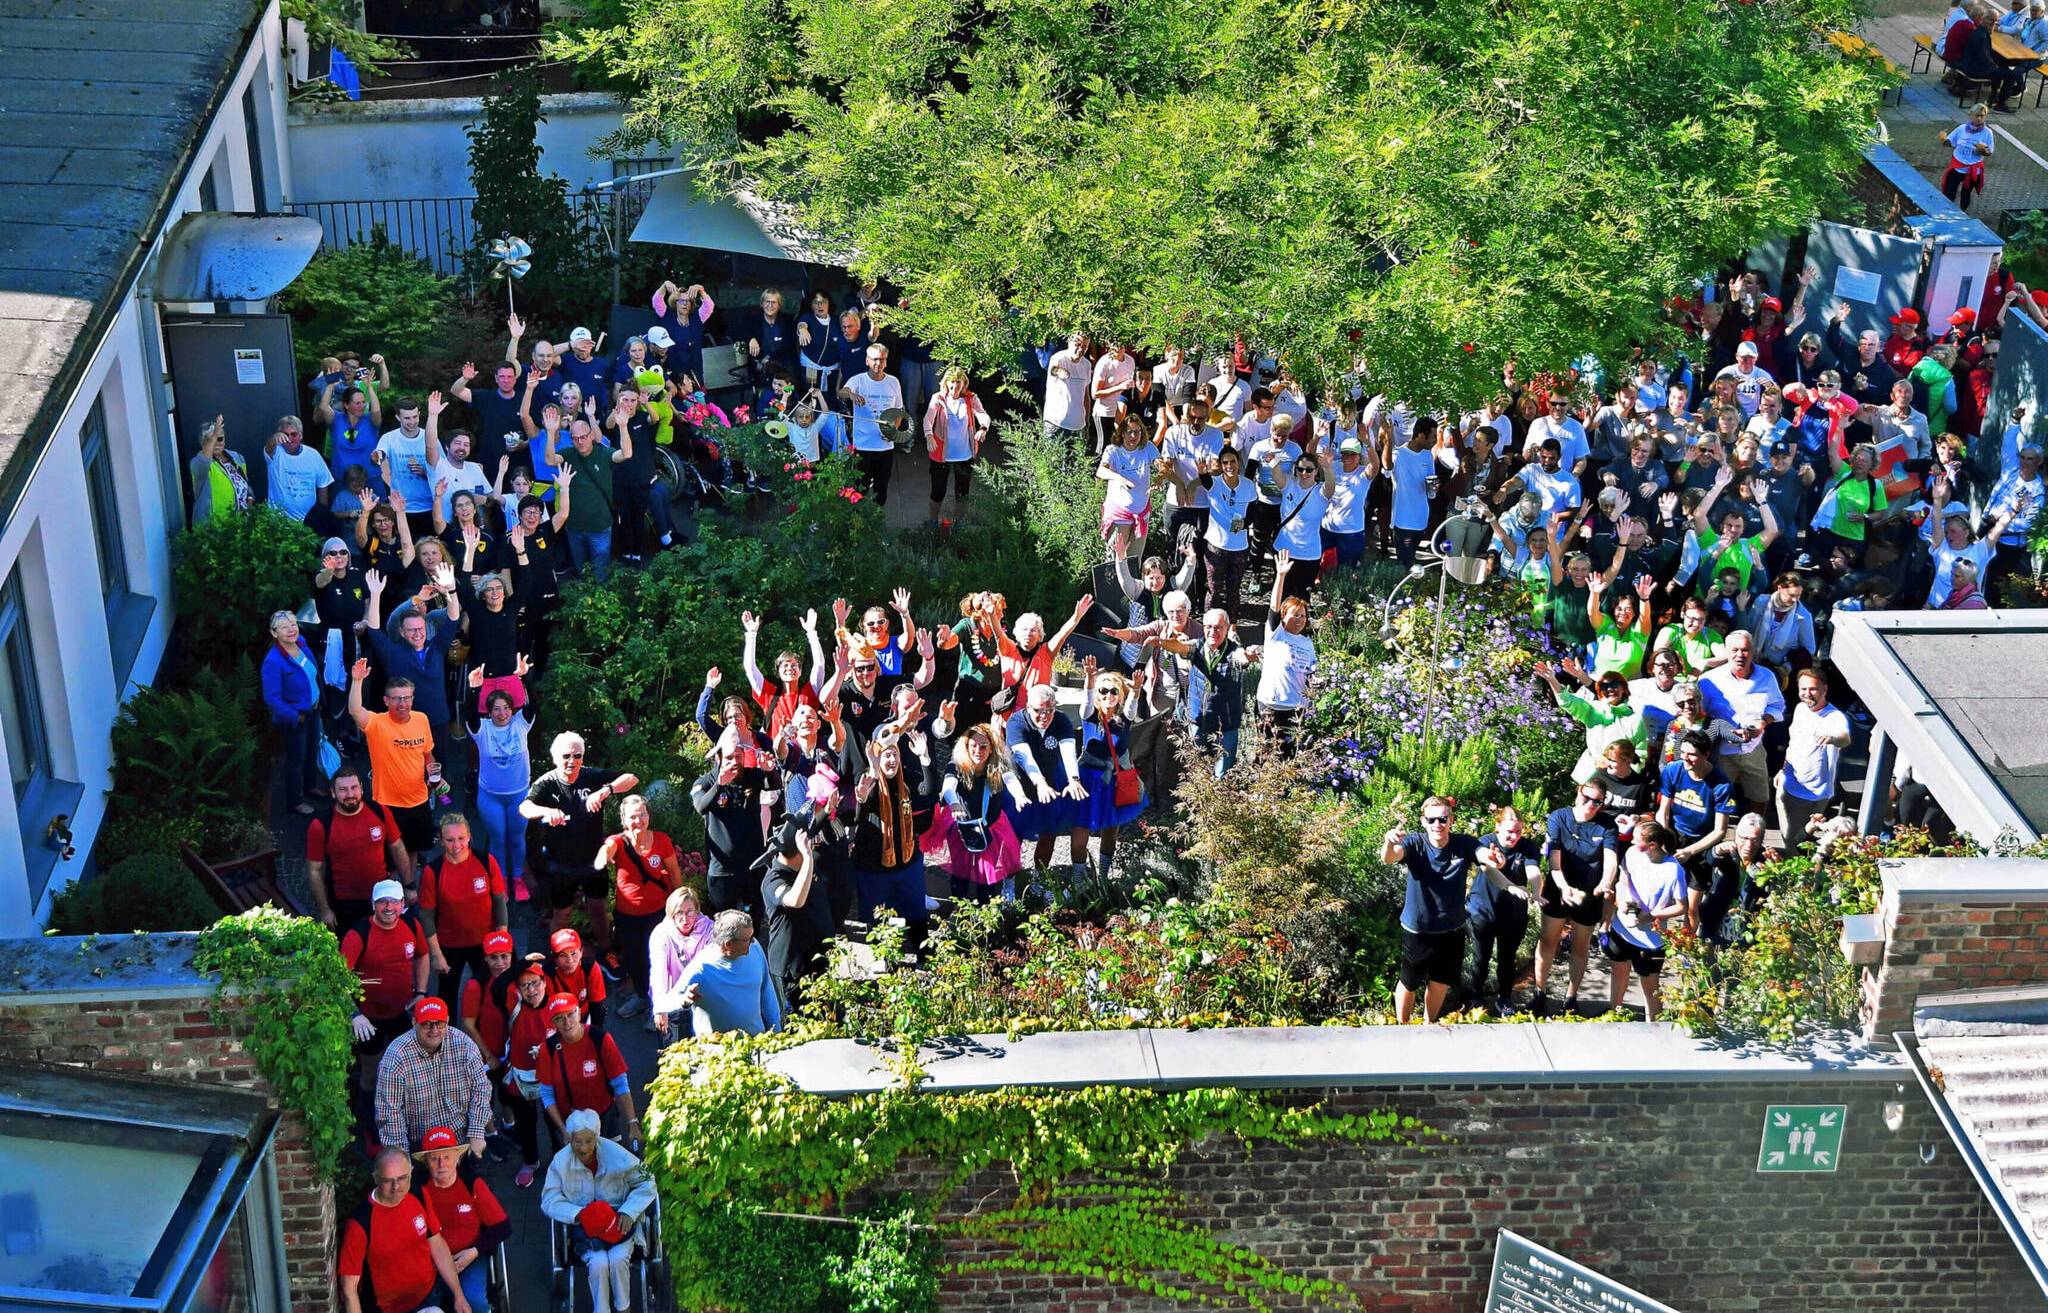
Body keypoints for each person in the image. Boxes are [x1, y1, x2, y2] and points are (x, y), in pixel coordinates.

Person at [523, 732, 640, 941]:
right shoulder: (547, 783)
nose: (571, 761)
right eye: (566, 756)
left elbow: (632, 778)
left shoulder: (592, 776)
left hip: (593, 860)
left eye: (577, 756)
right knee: (562, 913)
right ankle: (556, 956)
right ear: (556, 758)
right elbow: (524, 807)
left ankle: (605, 952)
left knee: (598, 908)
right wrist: (546, 812)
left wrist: (606, 791)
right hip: (561, 863)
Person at [540, 1109, 658, 1313]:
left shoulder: (617, 1154)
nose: (583, 1148)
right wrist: (577, 1214)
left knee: (619, 1258)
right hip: (585, 1229)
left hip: (619, 1222)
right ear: (570, 1139)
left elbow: (648, 1182)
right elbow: (549, 1199)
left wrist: (629, 1211)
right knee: (599, 1263)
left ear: (597, 1137)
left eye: (588, 1141)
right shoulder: (560, 1162)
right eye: (577, 1141)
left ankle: (623, 1308)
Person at [1381, 795, 1481, 1023]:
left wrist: (1494, 860)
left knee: (1440, 980)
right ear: (1423, 821)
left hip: (1452, 928)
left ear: (1451, 820)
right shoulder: (1415, 843)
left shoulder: (1463, 844)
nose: (1438, 824)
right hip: (1419, 929)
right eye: (1432, 819)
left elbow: (1481, 854)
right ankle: (1402, 1027)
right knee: (1409, 981)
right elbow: (1389, 858)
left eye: (1443, 819)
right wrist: (1388, 842)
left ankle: (1429, 1024)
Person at [338, 1146, 471, 1313]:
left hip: (428, 1298)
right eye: (388, 1180)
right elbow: (349, 1287)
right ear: (376, 1178)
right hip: (385, 1309)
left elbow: (436, 1243)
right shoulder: (360, 1222)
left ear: (411, 1172)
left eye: (402, 1178)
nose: (396, 1187)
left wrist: (459, 1296)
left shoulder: (418, 1194)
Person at [1536, 783, 1619, 1015]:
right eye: (1587, 798)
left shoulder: (1607, 825)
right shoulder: (1558, 817)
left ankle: (1571, 996)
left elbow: (1611, 860)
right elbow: (1554, 859)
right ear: (1578, 793)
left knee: (1580, 946)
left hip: (1589, 893)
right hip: (1559, 886)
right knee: (1547, 941)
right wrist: (1564, 888)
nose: (1590, 805)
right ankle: (1540, 992)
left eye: (1597, 802)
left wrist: (1605, 883)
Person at [374, 996, 493, 1156]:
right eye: (427, 1024)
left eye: (439, 1023)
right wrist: (402, 1158)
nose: (434, 1030)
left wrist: (476, 1132)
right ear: (414, 1022)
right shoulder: (396, 1057)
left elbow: (481, 1088)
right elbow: (389, 1112)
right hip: (419, 1146)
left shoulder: (464, 1045)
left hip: (461, 1140)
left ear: (448, 1020)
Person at [599, 795, 681, 1021]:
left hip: (657, 913)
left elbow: (673, 872)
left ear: (648, 815)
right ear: (624, 819)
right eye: (633, 816)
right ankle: (641, 996)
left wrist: (679, 904)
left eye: (642, 814)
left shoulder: (662, 840)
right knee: (634, 958)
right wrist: (600, 858)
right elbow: (607, 850)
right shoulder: (618, 842)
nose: (639, 820)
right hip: (628, 915)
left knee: (659, 958)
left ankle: (660, 1006)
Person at [927, 720, 1028, 904]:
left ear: (991, 748)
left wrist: (1019, 795)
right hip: (962, 826)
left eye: (983, 746)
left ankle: (986, 909)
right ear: (966, 746)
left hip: (991, 826)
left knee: (988, 872)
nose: (978, 751)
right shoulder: (956, 764)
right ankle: (960, 908)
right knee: (960, 872)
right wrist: (954, 802)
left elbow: (1010, 778)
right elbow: (949, 786)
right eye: (973, 745)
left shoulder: (998, 765)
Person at [348, 661, 438, 863]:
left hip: (419, 800)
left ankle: (409, 890)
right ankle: (390, 891)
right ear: (386, 701)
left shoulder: (421, 719)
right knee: (388, 855)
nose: (403, 704)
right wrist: (357, 681)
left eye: (407, 698)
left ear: (413, 699)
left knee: (414, 850)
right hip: (387, 803)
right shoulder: (376, 723)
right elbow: (355, 710)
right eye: (397, 699)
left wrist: (434, 777)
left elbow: (427, 754)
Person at [413, 1126, 509, 1313]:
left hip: (469, 1256)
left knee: (475, 1302)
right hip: (431, 1261)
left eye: (447, 1157)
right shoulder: (418, 1190)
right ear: (426, 1162)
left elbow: (503, 1227)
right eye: (434, 1158)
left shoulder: (471, 1183)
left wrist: (474, 1252)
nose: (442, 1164)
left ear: (457, 1158)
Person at [417, 813, 508, 1011]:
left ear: (469, 837)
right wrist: (436, 954)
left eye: (461, 838)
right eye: (449, 840)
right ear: (441, 841)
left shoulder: (486, 861)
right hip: (450, 945)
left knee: (491, 992)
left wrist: (502, 941)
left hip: (485, 943)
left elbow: (499, 901)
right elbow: (426, 915)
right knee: (447, 995)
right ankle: (447, 1038)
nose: (456, 845)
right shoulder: (433, 871)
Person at [847, 733, 938, 926]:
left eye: (895, 754)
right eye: (886, 755)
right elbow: (858, 818)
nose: (892, 760)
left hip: (906, 862)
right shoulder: (868, 780)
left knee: (917, 918)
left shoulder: (905, 777)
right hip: (873, 866)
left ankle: (922, 954)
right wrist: (861, 799)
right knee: (877, 922)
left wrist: (924, 758)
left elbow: (929, 795)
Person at [1602, 819, 1689, 1021]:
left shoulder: (1673, 870)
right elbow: (1624, 877)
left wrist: (1652, 915)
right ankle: (1613, 1016)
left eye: (1636, 840)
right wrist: (1623, 898)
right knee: (1618, 975)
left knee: (1650, 989)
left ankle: (1654, 1026)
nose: (1631, 843)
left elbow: (1681, 906)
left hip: (1650, 940)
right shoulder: (1633, 854)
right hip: (1622, 929)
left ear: (1653, 845)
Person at [309, 768, 414, 930]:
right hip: (343, 904)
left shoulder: (380, 811)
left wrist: (409, 886)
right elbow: (314, 870)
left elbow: (398, 848)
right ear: (333, 793)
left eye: (354, 787)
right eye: (343, 790)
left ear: (362, 789)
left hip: (381, 898)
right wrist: (325, 910)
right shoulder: (321, 825)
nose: (350, 794)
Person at [1003, 683, 1086, 881]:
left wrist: (1074, 779)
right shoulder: (1016, 723)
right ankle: (1009, 883)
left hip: (1050, 781)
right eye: (1039, 710)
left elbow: (1068, 750)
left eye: (1049, 710)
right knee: (1014, 837)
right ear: (1028, 707)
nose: (1044, 716)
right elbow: (1024, 757)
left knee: (1049, 833)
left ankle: (1039, 881)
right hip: (1020, 784)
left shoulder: (1062, 720)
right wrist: (1039, 783)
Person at [464, 676, 535, 904]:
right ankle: (500, 880)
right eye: (496, 709)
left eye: (506, 708)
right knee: (497, 839)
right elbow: (469, 715)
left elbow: (533, 704)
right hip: (491, 797)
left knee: (516, 838)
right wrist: (474, 690)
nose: (502, 713)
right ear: (489, 712)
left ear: (512, 710)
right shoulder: (481, 729)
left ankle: (517, 879)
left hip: (520, 795)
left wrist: (524, 679)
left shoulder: (520, 724)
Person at [1697, 629, 1785, 812]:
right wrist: (1722, 731)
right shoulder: (1708, 680)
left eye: (1744, 650)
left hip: (1754, 748)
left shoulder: (1766, 677)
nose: (1739, 655)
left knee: (1760, 797)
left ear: (1752, 652)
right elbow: (1698, 716)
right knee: (1717, 798)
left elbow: (1777, 705)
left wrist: (1764, 722)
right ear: (1726, 653)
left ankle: (1755, 834)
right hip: (1721, 752)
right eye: (1734, 650)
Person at [1468, 806, 1543, 1015]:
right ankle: (1475, 998)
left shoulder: (1527, 847)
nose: (1514, 836)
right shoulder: (1485, 843)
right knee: (1480, 958)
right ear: (1498, 827)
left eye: (1518, 831)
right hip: (1483, 908)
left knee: (1507, 958)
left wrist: (1536, 892)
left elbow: (1533, 871)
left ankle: (1505, 999)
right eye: (1510, 831)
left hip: (1513, 913)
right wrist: (1510, 885)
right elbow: (1488, 868)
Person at [691, 736, 775, 921]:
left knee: (753, 920)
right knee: (723, 924)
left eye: (739, 756)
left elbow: (775, 784)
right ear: (718, 758)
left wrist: (769, 770)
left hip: (752, 864)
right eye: (729, 757)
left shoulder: (751, 776)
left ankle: (752, 949)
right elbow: (701, 807)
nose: (735, 762)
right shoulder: (705, 782)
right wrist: (719, 785)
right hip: (722, 870)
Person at [538, 994, 639, 1146]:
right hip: (571, 1122)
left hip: (604, 1117)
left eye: (570, 1014)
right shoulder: (548, 1049)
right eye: (559, 1018)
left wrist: (632, 1122)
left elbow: (619, 1082)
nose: (567, 1023)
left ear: (579, 1013)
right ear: (553, 1023)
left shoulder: (600, 1039)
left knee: (610, 1163)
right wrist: (563, 1130)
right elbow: (547, 1094)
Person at [1074, 668, 1146, 879]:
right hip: (1087, 782)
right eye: (1103, 691)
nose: (1108, 696)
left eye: (1114, 691)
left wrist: (1136, 689)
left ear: (1120, 695)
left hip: (1113, 783)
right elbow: (1087, 699)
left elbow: (1132, 704)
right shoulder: (1088, 716)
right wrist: (1089, 678)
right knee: (1080, 836)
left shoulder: (1124, 719)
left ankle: (1103, 878)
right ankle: (1078, 880)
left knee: (1110, 832)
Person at [1659, 729, 1738, 907]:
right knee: (1665, 893)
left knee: (1692, 904)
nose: (1685, 758)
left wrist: (1690, 852)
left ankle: (1691, 933)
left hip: (1702, 842)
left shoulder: (1721, 784)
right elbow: (1663, 811)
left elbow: (1720, 831)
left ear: (1706, 755)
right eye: (1683, 752)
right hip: (1675, 833)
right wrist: (1664, 836)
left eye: (1692, 755)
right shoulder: (1673, 770)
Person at [674, 910, 783, 1035]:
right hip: (718, 1050)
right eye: (748, 939)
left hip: (757, 1044)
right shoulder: (701, 967)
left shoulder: (755, 948)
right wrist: (684, 1000)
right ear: (728, 944)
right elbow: (666, 1003)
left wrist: (776, 1030)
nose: (753, 941)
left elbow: (767, 991)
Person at [760, 822, 831, 1012]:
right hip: (792, 969)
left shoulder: (801, 869)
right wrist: (808, 859)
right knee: (799, 1024)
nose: (812, 852)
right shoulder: (773, 880)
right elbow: (795, 900)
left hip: (816, 958)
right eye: (807, 850)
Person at [261, 609, 326, 818]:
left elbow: (312, 676)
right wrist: (295, 716)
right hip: (296, 718)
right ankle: (295, 801)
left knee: (311, 751)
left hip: (313, 711)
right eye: (284, 627)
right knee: (295, 759)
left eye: (293, 624)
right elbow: (272, 698)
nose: (291, 629)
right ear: (274, 633)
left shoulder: (302, 643)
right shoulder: (273, 661)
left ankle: (310, 786)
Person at [1777, 668, 1852, 848]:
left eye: (1812, 689)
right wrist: (1782, 770)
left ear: (1824, 689)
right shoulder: (1800, 709)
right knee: (1790, 841)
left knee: (1797, 842)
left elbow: (1845, 738)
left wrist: (1833, 739)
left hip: (1815, 793)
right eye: (1803, 689)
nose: (1807, 694)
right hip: (1787, 785)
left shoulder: (1834, 717)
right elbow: (1793, 744)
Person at [1252, 555, 1316, 758]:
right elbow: (1273, 607)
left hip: (1296, 708)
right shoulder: (1275, 634)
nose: (1299, 620)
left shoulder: (1308, 643)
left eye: (1303, 616)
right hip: (1271, 704)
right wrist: (1280, 576)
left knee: (1289, 757)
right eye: (1294, 615)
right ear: (1284, 617)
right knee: (1267, 754)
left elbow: (1311, 673)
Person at [842, 342, 907, 504]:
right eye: (875, 359)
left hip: (885, 447)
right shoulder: (858, 380)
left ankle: (877, 520)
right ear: (867, 361)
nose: (879, 363)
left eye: (882, 359)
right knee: (859, 489)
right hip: (863, 445)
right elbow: (842, 392)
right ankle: (858, 523)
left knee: (881, 489)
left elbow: (899, 411)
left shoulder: (894, 382)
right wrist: (852, 395)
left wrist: (893, 431)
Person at [650, 886, 717, 1041]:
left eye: (689, 912)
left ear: (697, 911)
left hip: (704, 996)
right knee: (674, 1048)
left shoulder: (710, 930)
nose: (684, 919)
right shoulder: (661, 934)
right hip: (674, 996)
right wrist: (660, 1009)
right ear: (671, 913)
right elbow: (659, 973)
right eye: (679, 912)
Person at [924, 365, 990, 521]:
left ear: (964, 383)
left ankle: (959, 523)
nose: (955, 386)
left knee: (962, 493)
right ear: (946, 382)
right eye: (952, 382)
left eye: (959, 382)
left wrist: (983, 428)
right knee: (938, 492)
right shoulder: (938, 398)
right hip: (941, 454)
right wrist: (929, 436)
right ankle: (933, 521)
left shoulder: (970, 398)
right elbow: (928, 419)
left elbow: (983, 415)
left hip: (964, 454)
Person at [266, 414, 335, 527]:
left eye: (294, 434)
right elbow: (268, 447)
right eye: (285, 435)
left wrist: (321, 515)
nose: (290, 438)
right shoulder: (275, 453)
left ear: (301, 435)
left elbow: (323, 485)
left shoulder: (313, 455)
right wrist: (274, 438)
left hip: (308, 523)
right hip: (280, 523)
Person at [188, 415, 254, 523]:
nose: (216, 443)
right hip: (214, 528)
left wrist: (250, 499)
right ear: (202, 442)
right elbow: (204, 461)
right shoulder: (198, 462)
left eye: (219, 438)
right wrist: (215, 434)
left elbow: (245, 483)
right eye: (209, 440)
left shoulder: (237, 458)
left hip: (240, 524)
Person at [1043, 331, 1092, 442]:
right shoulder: (1059, 358)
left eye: (1084, 346)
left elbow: (1086, 395)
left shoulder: (1086, 365)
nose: (1080, 349)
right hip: (1055, 424)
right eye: (1077, 345)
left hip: (1078, 426)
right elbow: (1053, 369)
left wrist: (1087, 422)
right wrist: (1060, 371)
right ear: (1069, 343)